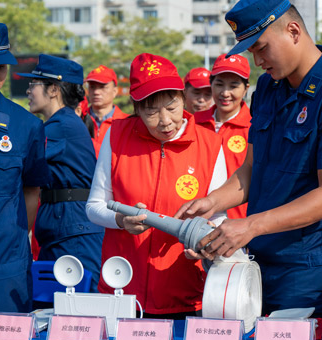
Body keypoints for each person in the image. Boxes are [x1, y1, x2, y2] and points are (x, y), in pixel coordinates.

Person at [175, 0, 322, 318]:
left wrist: (250, 226)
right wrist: (211, 202)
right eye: (251, 51)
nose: (257, 60)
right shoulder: (267, 87)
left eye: (261, 47)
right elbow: (252, 169)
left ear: (293, 31)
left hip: (308, 269)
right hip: (257, 260)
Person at [86, 53, 227, 318]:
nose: (164, 121)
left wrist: (206, 243)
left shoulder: (210, 144)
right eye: (151, 112)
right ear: (136, 108)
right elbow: (93, 207)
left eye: (172, 108)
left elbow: (218, 214)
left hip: (185, 290)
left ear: (183, 98)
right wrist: (120, 220)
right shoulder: (116, 135)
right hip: (122, 289)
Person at [17, 54, 104, 292]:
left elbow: (19, 160)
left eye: (33, 84)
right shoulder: (60, 123)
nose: (28, 91)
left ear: (53, 89)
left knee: (79, 312)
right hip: (65, 229)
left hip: (73, 233)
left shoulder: (61, 125)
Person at [0, 21, 50, 312]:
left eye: (0, 67)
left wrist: (11, 237)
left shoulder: (26, 126)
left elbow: (31, 190)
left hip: (5, 267)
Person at [195, 54, 251, 219]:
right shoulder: (193, 123)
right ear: (211, 85)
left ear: (246, 88)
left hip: (237, 222)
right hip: (196, 219)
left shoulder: (255, 127)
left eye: (233, 86)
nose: (225, 93)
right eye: (219, 84)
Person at [83, 65, 129, 156]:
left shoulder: (127, 123)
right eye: (92, 87)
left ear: (115, 91)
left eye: (102, 87)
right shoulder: (78, 120)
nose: (96, 92)